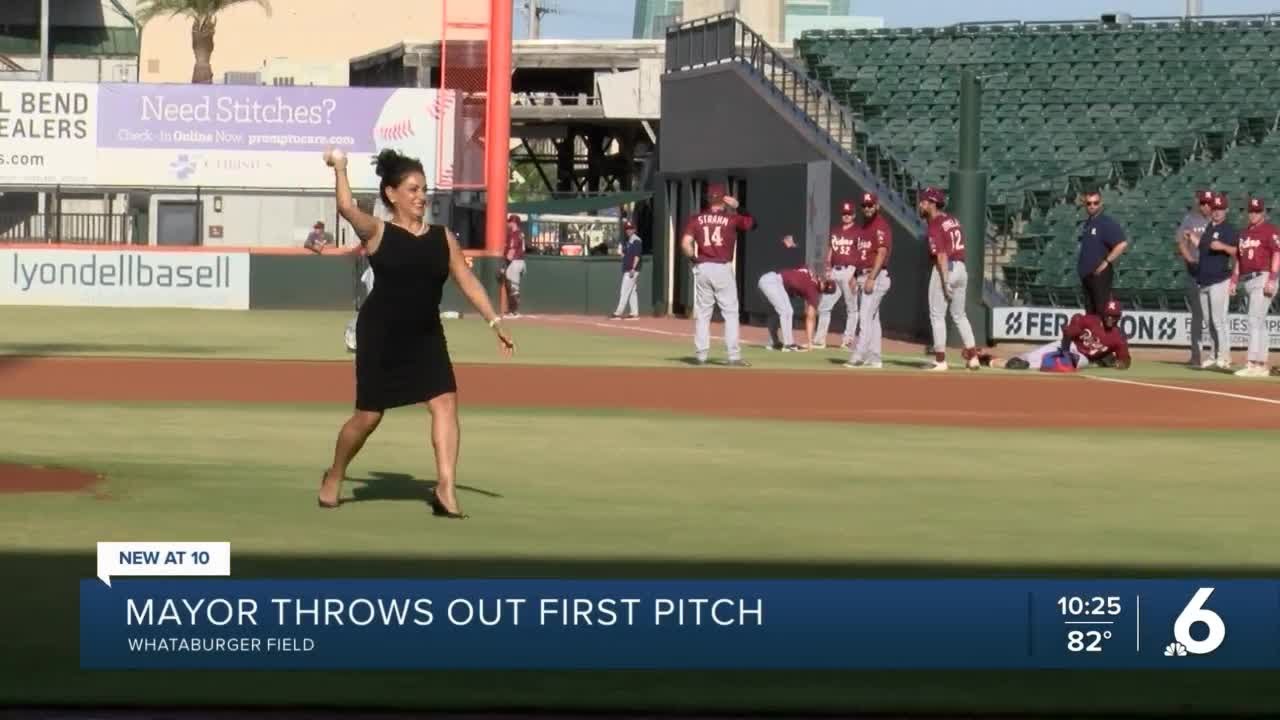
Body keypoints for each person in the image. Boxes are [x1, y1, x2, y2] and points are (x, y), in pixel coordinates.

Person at [317, 147, 515, 519]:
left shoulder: (442, 238)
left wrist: (494, 321)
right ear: (391, 194)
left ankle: (446, 488)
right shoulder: (377, 232)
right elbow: (345, 207)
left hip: (426, 334)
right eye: (412, 189)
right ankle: (336, 474)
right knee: (368, 416)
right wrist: (340, 167)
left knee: (444, 402)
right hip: (382, 334)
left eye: (423, 189)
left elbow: (468, 280)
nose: (421, 196)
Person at [680, 182, 755, 366]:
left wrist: (694, 260)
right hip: (722, 266)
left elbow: (685, 243)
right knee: (730, 313)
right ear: (724, 199)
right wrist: (739, 207)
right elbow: (753, 224)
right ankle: (733, 356)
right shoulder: (731, 218)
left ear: (707, 199)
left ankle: (701, 355)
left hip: (703, 266)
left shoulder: (696, 219)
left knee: (704, 313)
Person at [918, 187, 979, 371]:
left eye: (924, 201)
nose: (921, 204)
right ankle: (973, 357)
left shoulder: (935, 224)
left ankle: (940, 360)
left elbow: (942, 255)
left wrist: (945, 281)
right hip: (961, 268)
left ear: (933, 204)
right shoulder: (952, 220)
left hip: (946, 269)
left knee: (937, 316)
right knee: (960, 315)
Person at [993, 299, 1131, 371]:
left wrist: (1122, 364)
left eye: (1114, 316)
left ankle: (1024, 365)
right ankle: (994, 361)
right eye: (1108, 315)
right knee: (1032, 355)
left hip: (1083, 357)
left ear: (1119, 317)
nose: (1110, 318)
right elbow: (1069, 333)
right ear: (1103, 313)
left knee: (1055, 363)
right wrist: (1065, 349)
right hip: (1069, 345)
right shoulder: (1089, 320)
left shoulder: (1118, 338)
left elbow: (1125, 360)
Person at [1230, 197, 1280, 377]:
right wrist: (1234, 280)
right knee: (1259, 322)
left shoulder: (1270, 230)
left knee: (1253, 319)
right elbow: (1238, 259)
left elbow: (1277, 253)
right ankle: (1261, 364)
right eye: (1251, 210)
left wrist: (1273, 279)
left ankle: (1252, 363)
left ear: (1263, 212)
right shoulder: (1243, 234)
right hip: (1248, 280)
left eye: (1257, 211)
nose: (1253, 214)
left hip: (1264, 276)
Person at [757, 234, 830, 351]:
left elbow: (811, 317)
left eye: (825, 287)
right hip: (772, 280)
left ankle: (774, 342)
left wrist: (810, 342)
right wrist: (792, 246)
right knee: (786, 311)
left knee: (779, 312)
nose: (824, 283)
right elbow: (797, 258)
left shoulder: (813, 291)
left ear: (823, 290)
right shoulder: (808, 271)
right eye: (826, 282)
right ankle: (788, 344)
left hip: (773, 282)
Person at [845, 193, 892, 369]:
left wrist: (871, 277)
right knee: (873, 319)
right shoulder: (864, 227)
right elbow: (862, 254)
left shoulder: (881, 225)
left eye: (870, 205)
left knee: (865, 316)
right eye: (864, 205)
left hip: (876, 276)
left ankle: (859, 355)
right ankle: (875, 357)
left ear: (877, 206)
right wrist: (855, 275)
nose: (867, 208)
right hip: (864, 274)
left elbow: (882, 252)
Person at [1194, 193, 1239, 371]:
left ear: (1226, 210)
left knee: (1219, 320)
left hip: (1220, 279)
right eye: (1214, 209)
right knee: (1209, 321)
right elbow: (1204, 249)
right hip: (1204, 280)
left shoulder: (1229, 229)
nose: (1217, 212)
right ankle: (1214, 354)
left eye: (1220, 209)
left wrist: (1222, 247)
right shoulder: (1208, 229)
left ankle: (1225, 356)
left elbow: (1237, 251)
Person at [814, 199, 862, 349]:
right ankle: (819, 340)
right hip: (835, 270)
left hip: (850, 271)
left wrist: (857, 275)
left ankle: (847, 340)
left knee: (852, 308)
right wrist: (827, 269)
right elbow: (830, 251)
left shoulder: (859, 231)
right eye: (844, 213)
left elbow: (862, 254)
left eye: (849, 214)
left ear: (854, 215)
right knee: (824, 306)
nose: (846, 216)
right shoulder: (835, 231)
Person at [1174, 190, 1215, 367]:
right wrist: (1189, 259)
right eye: (1203, 203)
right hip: (1195, 270)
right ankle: (1196, 355)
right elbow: (1180, 242)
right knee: (1197, 315)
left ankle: (1216, 355)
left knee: (1213, 316)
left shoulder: (1218, 222)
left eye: (1209, 203)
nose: (1206, 206)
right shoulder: (1190, 220)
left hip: (1213, 272)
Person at [1076, 190, 1128, 316]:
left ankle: (1104, 336)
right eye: (1089, 203)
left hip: (1100, 274)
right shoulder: (1088, 223)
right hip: (1087, 275)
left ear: (1101, 203)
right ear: (1085, 205)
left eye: (1095, 202)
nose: (1092, 206)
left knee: (1101, 311)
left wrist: (1106, 262)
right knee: (1090, 312)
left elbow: (1122, 244)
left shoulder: (1105, 222)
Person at [610, 219, 643, 320]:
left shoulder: (636, 240)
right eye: (627, 229)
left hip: (631, 270)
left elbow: (637, 256)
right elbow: (625, 254)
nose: (628, 230)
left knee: (624, 291)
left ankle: (618, 313)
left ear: (634, 229)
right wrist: (621, 252)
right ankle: (634, 313)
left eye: (630, 228)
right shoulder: (628, 241)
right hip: (628, 269)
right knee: (632, 292)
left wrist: (633, 268)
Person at [499, 214, 526, 319]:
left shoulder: (515, 234)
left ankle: (514, 312)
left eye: (509, 221)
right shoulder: (520, 233)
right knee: (513, 287)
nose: (508, 223)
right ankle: (513, 311)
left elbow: (511, 251)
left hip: (515, 262)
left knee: (514, 288)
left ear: (513, 223)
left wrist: (504, 265)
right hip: (520, 262)